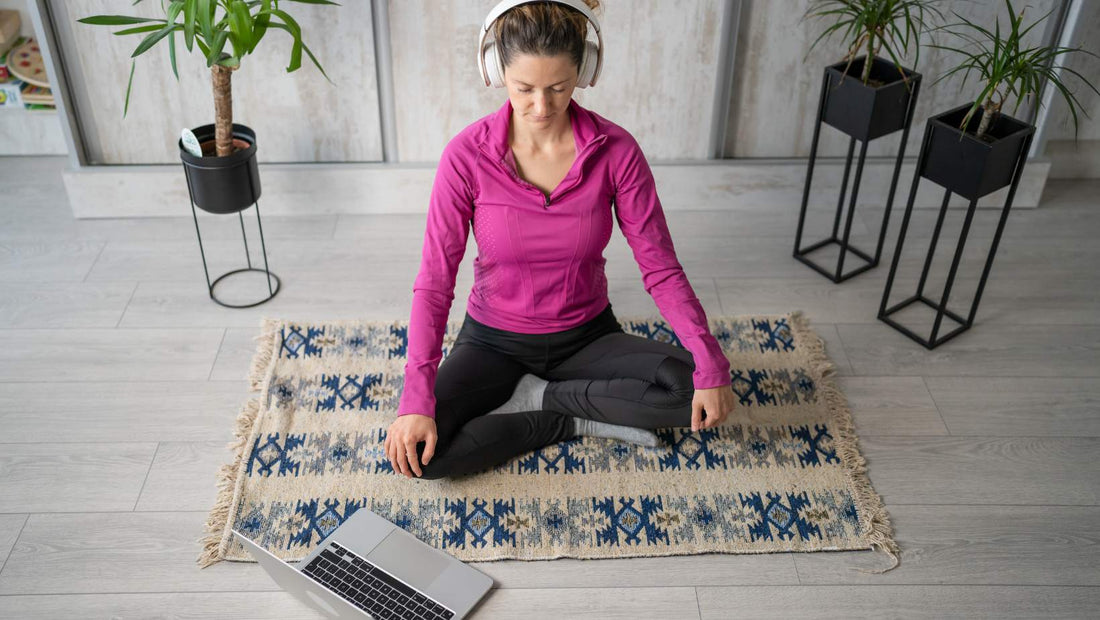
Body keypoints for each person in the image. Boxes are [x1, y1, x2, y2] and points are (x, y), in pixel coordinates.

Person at [384, 0, 735, 480]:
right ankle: (564, 419)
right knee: (424, 458)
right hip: (493, 340)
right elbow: (434, 282)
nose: (541, 107)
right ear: (495, 71)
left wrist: (710, 362)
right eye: (524, 88)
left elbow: (660, 268)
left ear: (584, 73)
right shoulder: (465, 157)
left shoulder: (617, 152)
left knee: (693, 390)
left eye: (559, 88)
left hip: (586, 335)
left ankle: (543, 394)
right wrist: (415, 400)